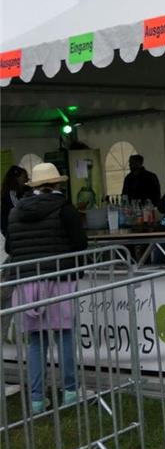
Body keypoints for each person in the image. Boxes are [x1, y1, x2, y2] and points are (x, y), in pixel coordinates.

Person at [6, 162, 88, 414]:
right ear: (57, 184)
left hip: (27, 281)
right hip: (59, 278)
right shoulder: (65, 209)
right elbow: (80, 243)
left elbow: (10, 247)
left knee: (35, 341)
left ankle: (37, 399)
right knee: (63, 335)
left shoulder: (16, 211)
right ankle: (71, 391)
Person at [2, 165, 29, 238]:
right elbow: (15, 208)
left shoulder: (22, 191)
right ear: (16, 178)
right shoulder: (10, 193)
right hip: (11, 228)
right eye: (24, 177)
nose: (26, 180)